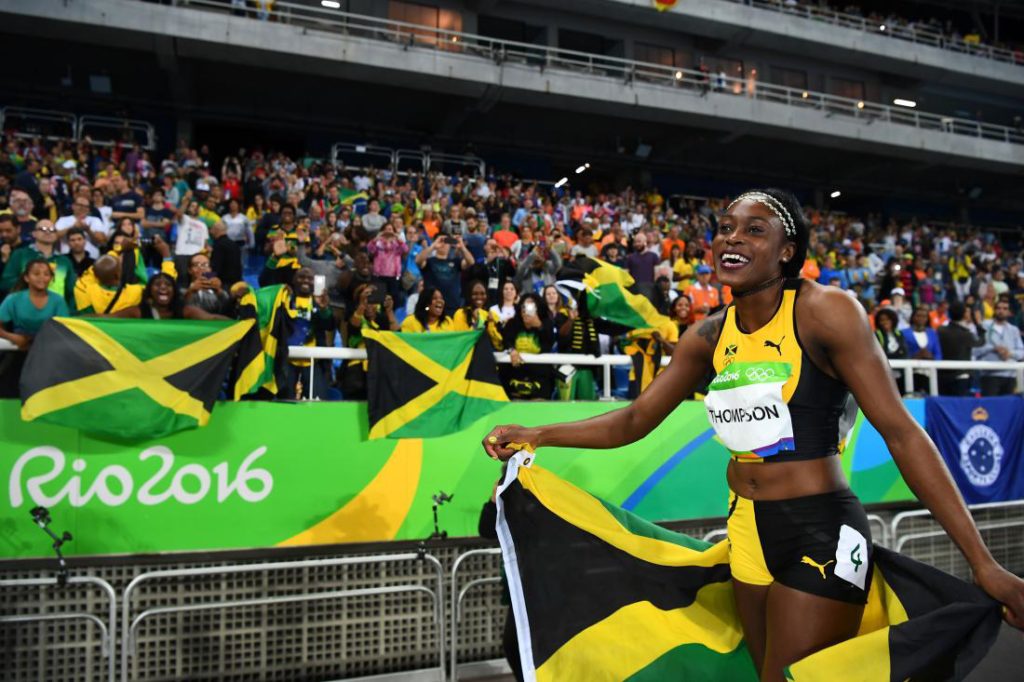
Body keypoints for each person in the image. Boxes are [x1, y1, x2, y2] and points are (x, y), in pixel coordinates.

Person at [483, 189, 1024, 682]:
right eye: (724, 228)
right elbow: (632, 419)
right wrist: (537, 433)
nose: (732, 238)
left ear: (787, 251)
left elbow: (903, 435)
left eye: (754, 229)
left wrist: (983, 563)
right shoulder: (708, 334)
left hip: (819, 529)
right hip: (744, 532)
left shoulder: (825, 313)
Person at [0, 259, 70, 397]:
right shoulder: (13, 299)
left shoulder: (58, 300)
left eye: (46, 274)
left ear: (51, 278)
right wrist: (13, 337)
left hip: (48, 353)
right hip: (18, 350)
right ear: (26, 277)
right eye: (36, 274)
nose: (42, 278)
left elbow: (64, 328)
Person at [0, 220, 76, 305]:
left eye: (52, 230)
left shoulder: (64, 261)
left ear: (56, 235)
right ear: (34, 233)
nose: (48, 232)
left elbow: (72, 291)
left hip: (57, 312)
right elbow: (6, 282)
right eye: (43, 229)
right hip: (25, 310)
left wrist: (69, 312)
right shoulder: (20, 254)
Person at [500, 292, 554, 400]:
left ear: (538, 308)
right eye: (524, 306)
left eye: (531, 306)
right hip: (516, 376)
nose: (526, 310)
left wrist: (539, 326)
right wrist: (512, 350)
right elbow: (506, 341)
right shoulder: (512, 323)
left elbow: (549, 343)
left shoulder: (547, 323)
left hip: (540, 378)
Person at [974, 299, 1024, 396]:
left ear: (1009, 312)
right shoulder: (984, 326)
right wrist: (993, 348)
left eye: (1005, 309)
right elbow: (974, 350)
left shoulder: (1013, 330)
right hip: (990, 375)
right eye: (998, 308)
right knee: (990, 408)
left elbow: (1022, 352)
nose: (1001, 311)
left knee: (1008, 409)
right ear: (994, 310)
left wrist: (1009, 353)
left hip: (1009, 375)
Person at [416, 234, 473, 317]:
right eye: (441, 241)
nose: (443, 244)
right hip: (431, 306)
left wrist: (462, 247)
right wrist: (433, 246)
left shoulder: (456, 262)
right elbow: (418, 261)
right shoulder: (429, 262)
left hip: (452, 306)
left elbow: (471, 262)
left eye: (446, 241)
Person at [937, 301, 981, 397]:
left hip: (942, 375)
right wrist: (978, 324)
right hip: (961, 375)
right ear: (965, 314)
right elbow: (981, 344)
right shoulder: (966, 334)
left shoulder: (940, 330)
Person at [901, 306, 942, 394]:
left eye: (924, 316)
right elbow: (902, 353)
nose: (921, 318)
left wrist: (930, 356)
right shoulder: (904, 333)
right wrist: (916, 356)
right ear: (913, 317)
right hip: (911, 373)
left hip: (929, 374)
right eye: (918, 315)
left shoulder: (932, 333)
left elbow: (938, 355)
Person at [452, 280, 503, 349]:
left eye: (482, 294)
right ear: (469, 295)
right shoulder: (461, 314)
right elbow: (460, 340)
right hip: (467, 355)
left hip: (487, 355)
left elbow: (499, 345)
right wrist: (476, 322)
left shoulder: (492, 315)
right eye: (475, 294)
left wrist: (490, 323)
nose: (479, 297)